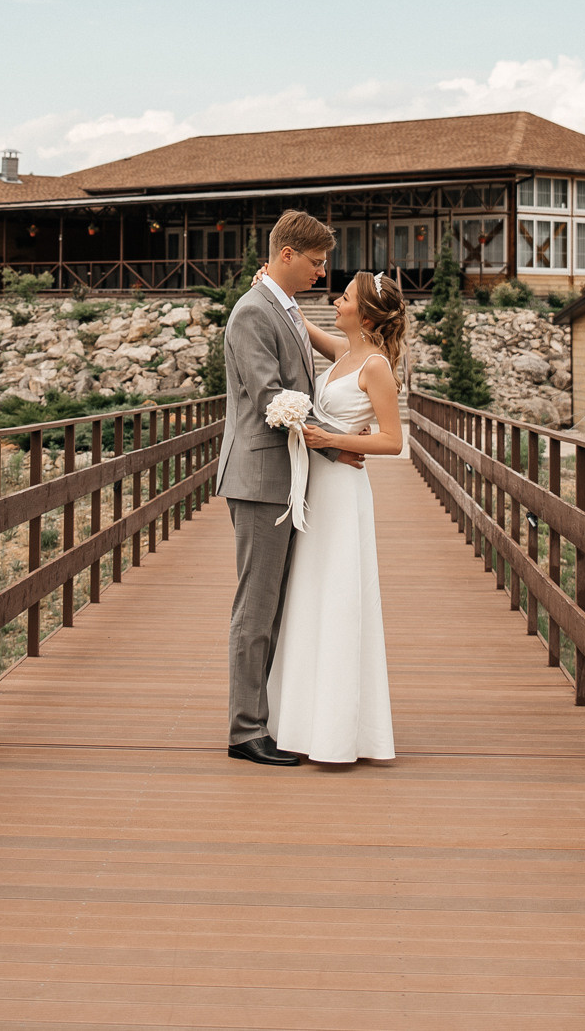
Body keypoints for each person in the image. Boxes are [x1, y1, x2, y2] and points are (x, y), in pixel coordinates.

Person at [217, 209, 361, 767]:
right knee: (256, 610)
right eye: (316, 262)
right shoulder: (254, 312)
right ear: (287, 255)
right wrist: (335, 446)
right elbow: (271, 399)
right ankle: (245, 731)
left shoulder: (283, 306)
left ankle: (267, 719)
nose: (323, 272)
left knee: (275, 606)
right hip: (261, 479)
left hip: (286, 477)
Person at [266, 269, 403, 763]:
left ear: (364, 316)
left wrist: (333, 440)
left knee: (340, 596)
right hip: (316, 487)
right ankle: (300, 723)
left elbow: (392, 440)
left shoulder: (376, 366)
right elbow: (301, 325)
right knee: (310, 593)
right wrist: (273, 285)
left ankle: (338, 732)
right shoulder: (345, 353)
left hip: (343, 490)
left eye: (344, 298)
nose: (335, 301)